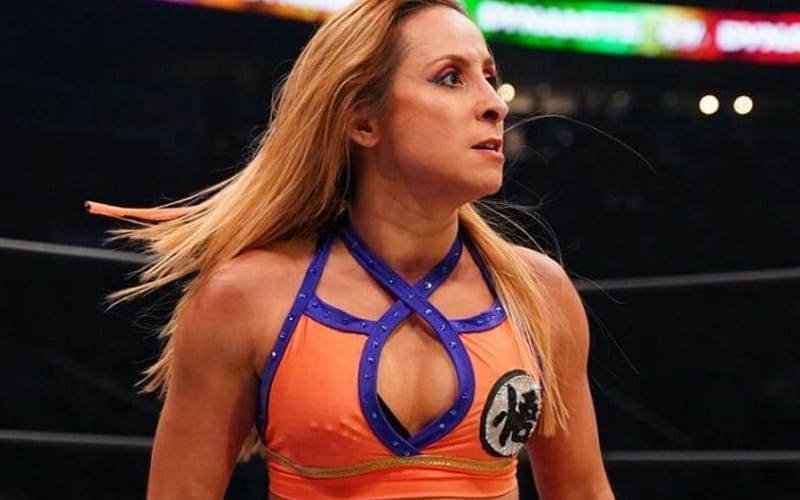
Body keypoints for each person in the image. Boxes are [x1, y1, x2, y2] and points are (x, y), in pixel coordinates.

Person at [86, 0, 613, 497]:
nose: (495, 104)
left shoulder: (539, 293)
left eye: (489, 78)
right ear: (363, 120)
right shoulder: (244, 297)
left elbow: (585, 492)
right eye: (451, 77)